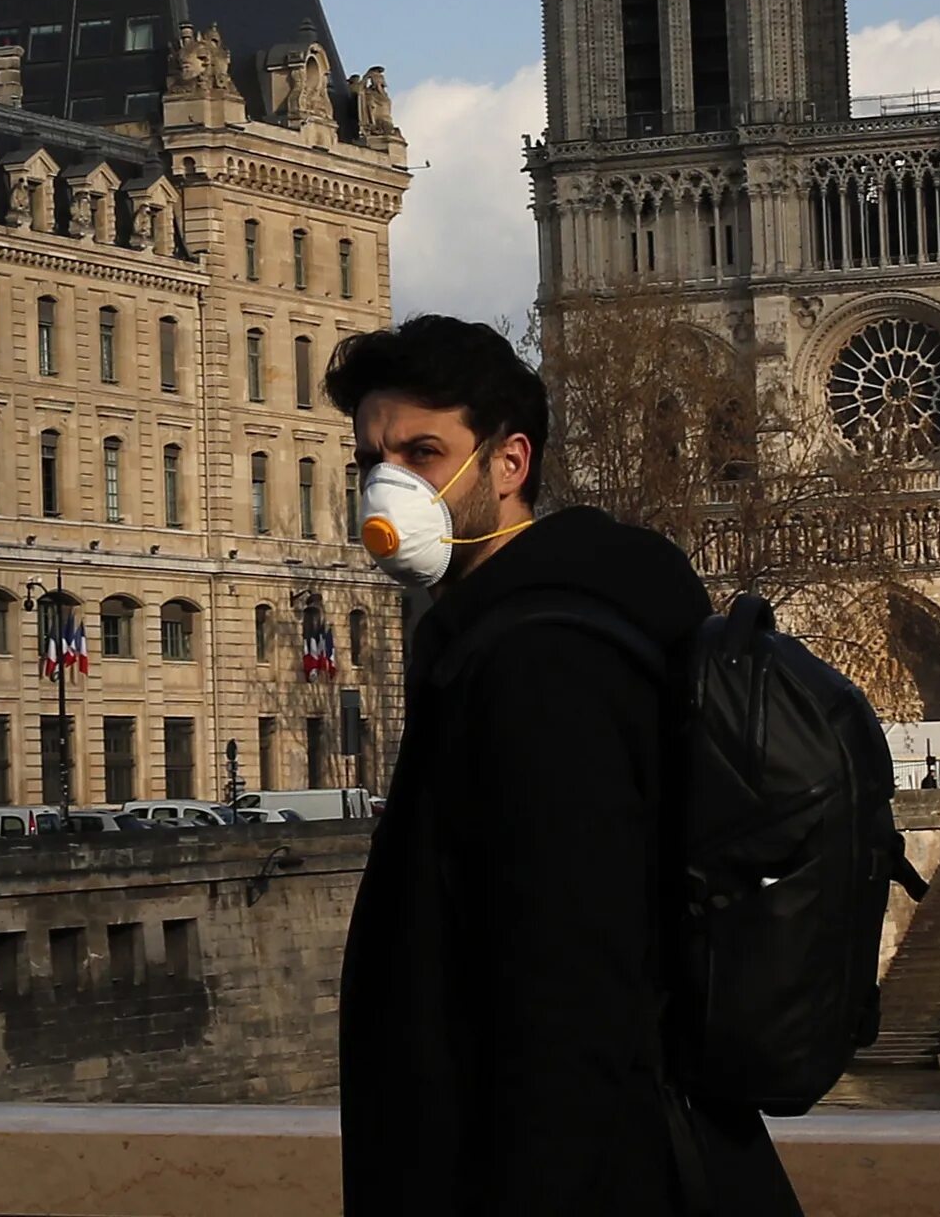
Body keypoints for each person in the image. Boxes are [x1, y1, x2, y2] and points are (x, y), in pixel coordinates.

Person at [327, 315, 796, 1217]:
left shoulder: (538, 660)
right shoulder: (524, 631)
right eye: (372, 461)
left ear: (509, 464)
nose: (389, 488)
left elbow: (571, 979)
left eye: (424, 454)